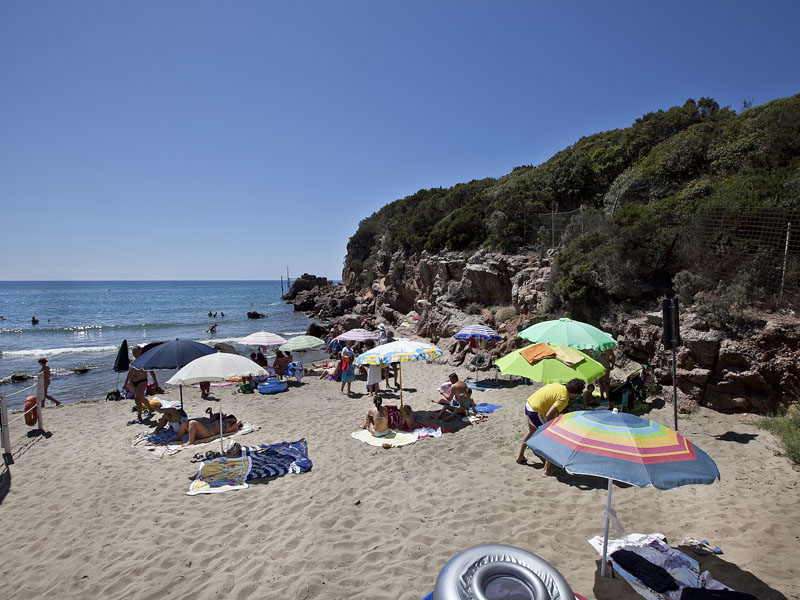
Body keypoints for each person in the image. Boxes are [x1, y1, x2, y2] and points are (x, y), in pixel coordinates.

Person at [516, 378, 585, 474]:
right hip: (536, 410)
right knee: (552, 439)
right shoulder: (564, 398)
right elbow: (549, 415)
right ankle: (546, 470)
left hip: (529, 404)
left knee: (531, 432)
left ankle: (520, 457)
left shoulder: (559, 385)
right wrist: (551, 429)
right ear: (576, 393)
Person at [173, 414, 241, 446]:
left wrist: (233, 420)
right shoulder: (220, 420)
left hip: (207, 433)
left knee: (192, 422)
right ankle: (178, 438)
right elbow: (214, 417)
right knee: (184, 424)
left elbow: (239, 421)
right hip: (202, 430)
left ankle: (190, 442)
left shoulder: (228, 427)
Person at [124, 346, 152, 423]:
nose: (134, 354)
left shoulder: (144, 360)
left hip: (142, 381)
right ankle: (150, 408)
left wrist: (155, 381)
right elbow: (130, 372)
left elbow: (150, 370)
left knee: (137, 398)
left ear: (140, 352)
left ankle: (139, 416)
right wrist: (126, 383)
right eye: (133, 352)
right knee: (141, 398)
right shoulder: (132, 360)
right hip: (134, 382)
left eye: (136, 352)